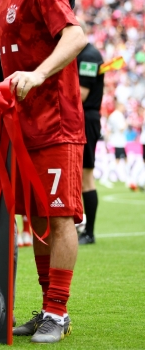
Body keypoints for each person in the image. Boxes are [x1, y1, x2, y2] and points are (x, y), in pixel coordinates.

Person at [0, 0, 87, 344]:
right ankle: (48, 309)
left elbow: (75, 37)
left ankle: (58, 311)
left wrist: (38, 74)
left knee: (59, 216)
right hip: (22, 127)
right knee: (38, 217)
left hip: (56, 123)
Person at [76, 38, 104, 245]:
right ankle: (83, 228)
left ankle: (89, 232)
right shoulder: (84, 55)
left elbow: (81, 94)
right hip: (82, 118)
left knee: (86, 177)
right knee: (80, 177)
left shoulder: (89, 57)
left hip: (85, 119)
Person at [106, 102, 128, 183]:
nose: (124, 108)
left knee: (121, 159)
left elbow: (109, 129)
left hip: (113, 140)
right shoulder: (119, 115)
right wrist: (127, 123)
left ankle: (126, 176)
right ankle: (106, 175)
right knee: (118, 159)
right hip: (119, 141)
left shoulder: (112, 115)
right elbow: (121, 128)